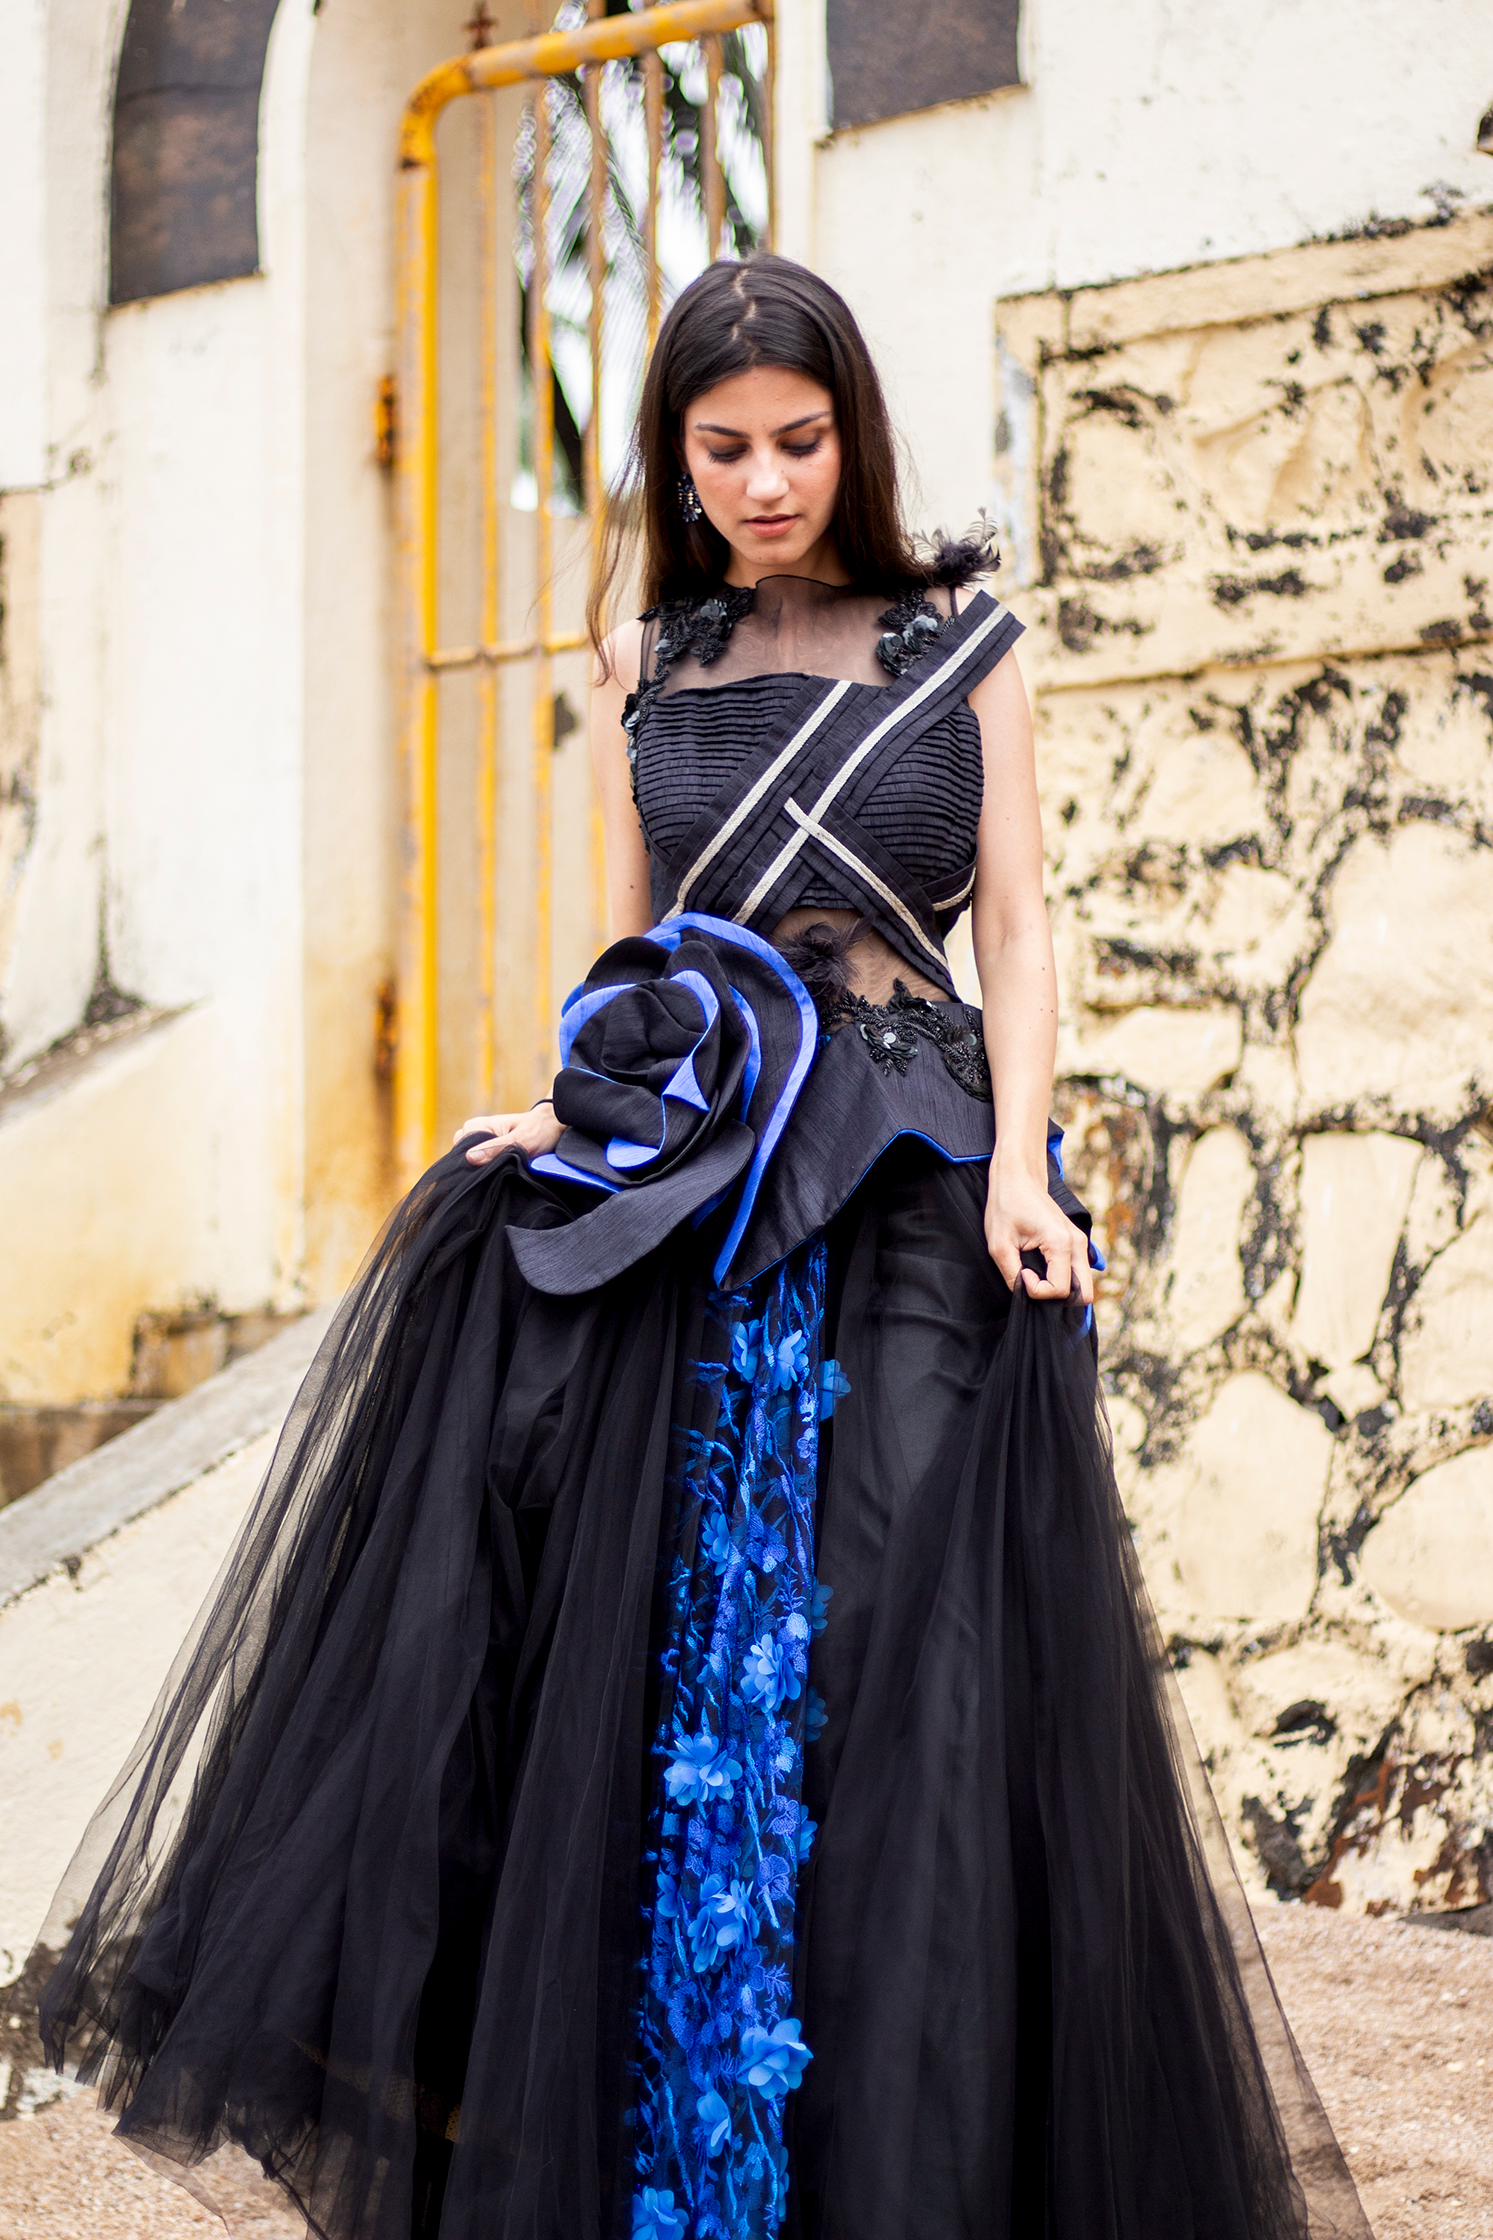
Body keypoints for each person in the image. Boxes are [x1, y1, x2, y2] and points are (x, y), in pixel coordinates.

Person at [36, 255, 1371, 2240]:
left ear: (854, 434)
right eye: (721, 445)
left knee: (872, 1650)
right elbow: (637, 944)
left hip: (910, 1164)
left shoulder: (959, 643)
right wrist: (550, 1111)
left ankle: (891, 2156)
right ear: (673, 453)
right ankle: (652, 2143)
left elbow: (1013, 924)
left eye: (797, 441)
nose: (761, 480)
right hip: (692, 1180)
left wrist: (1020, 1162)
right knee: (633, 1669)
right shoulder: (644, 661)